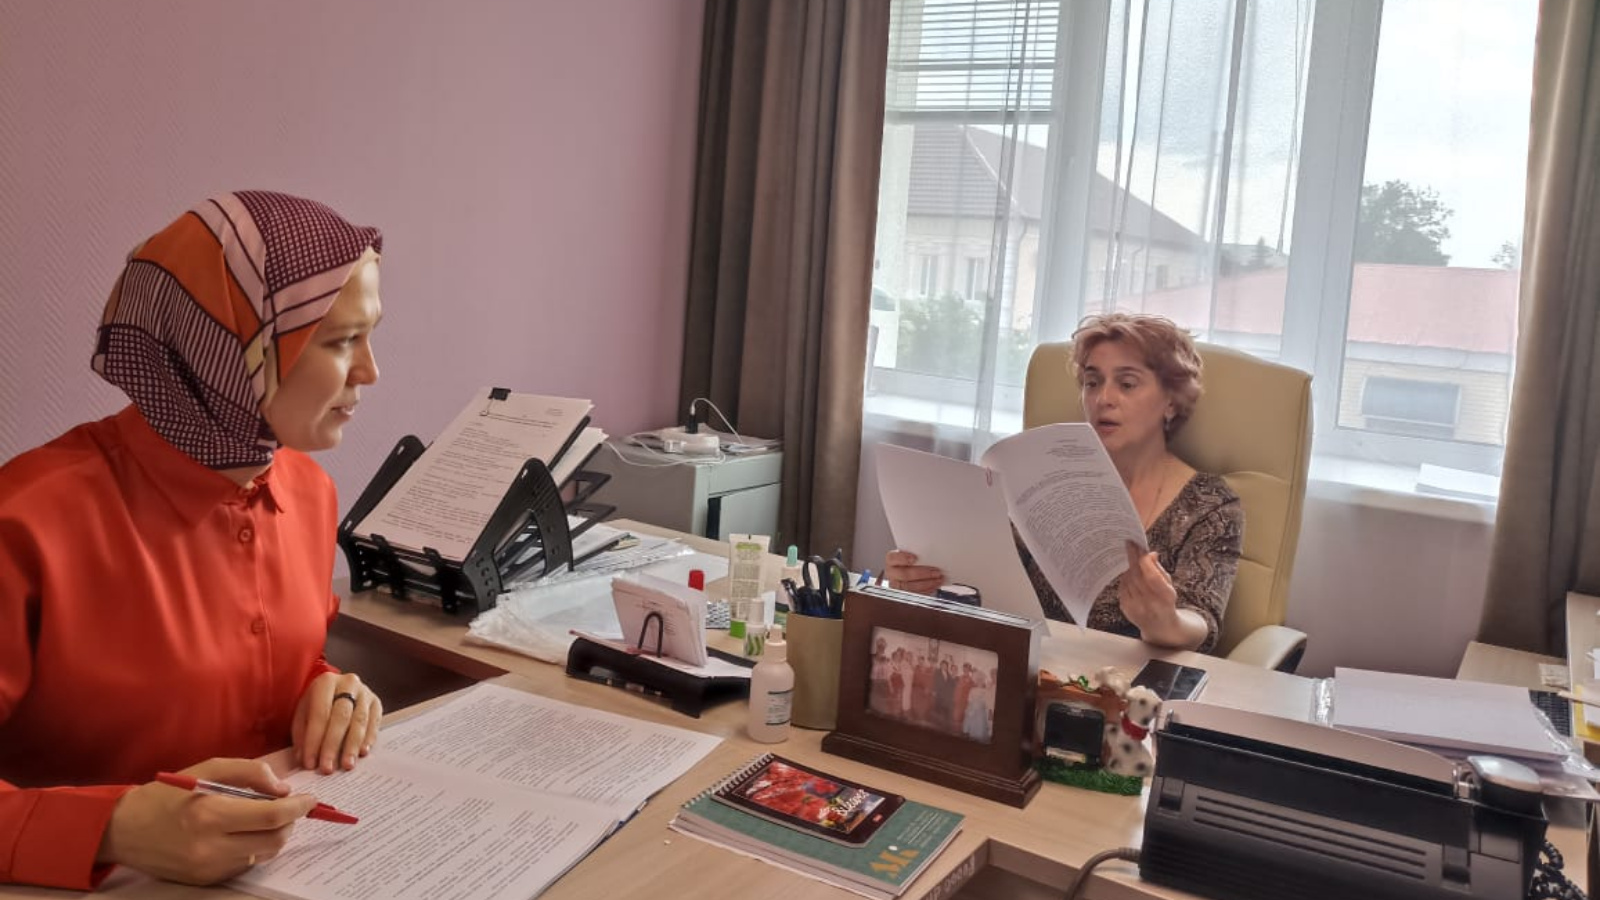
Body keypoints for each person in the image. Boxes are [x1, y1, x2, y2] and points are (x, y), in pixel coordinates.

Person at [0, 191, 389, 889]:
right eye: (338, 341)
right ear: (229, 350)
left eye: (369, 336)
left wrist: (324, 689)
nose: (370, 371)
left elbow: (257, 656)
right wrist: (110, 828)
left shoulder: (309, 492)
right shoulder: (27, 521)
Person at [884, 313, 1243, 653]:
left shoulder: (1210, 504)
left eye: (1127, 384)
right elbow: (988, 576)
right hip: (1032, 660)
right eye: (1092, 382)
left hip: (1130, 681)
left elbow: (1202, 620)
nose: (1103, 399)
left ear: (1171, 402)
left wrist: (1165, 622)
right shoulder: (1044, 478)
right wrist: (922, 579)